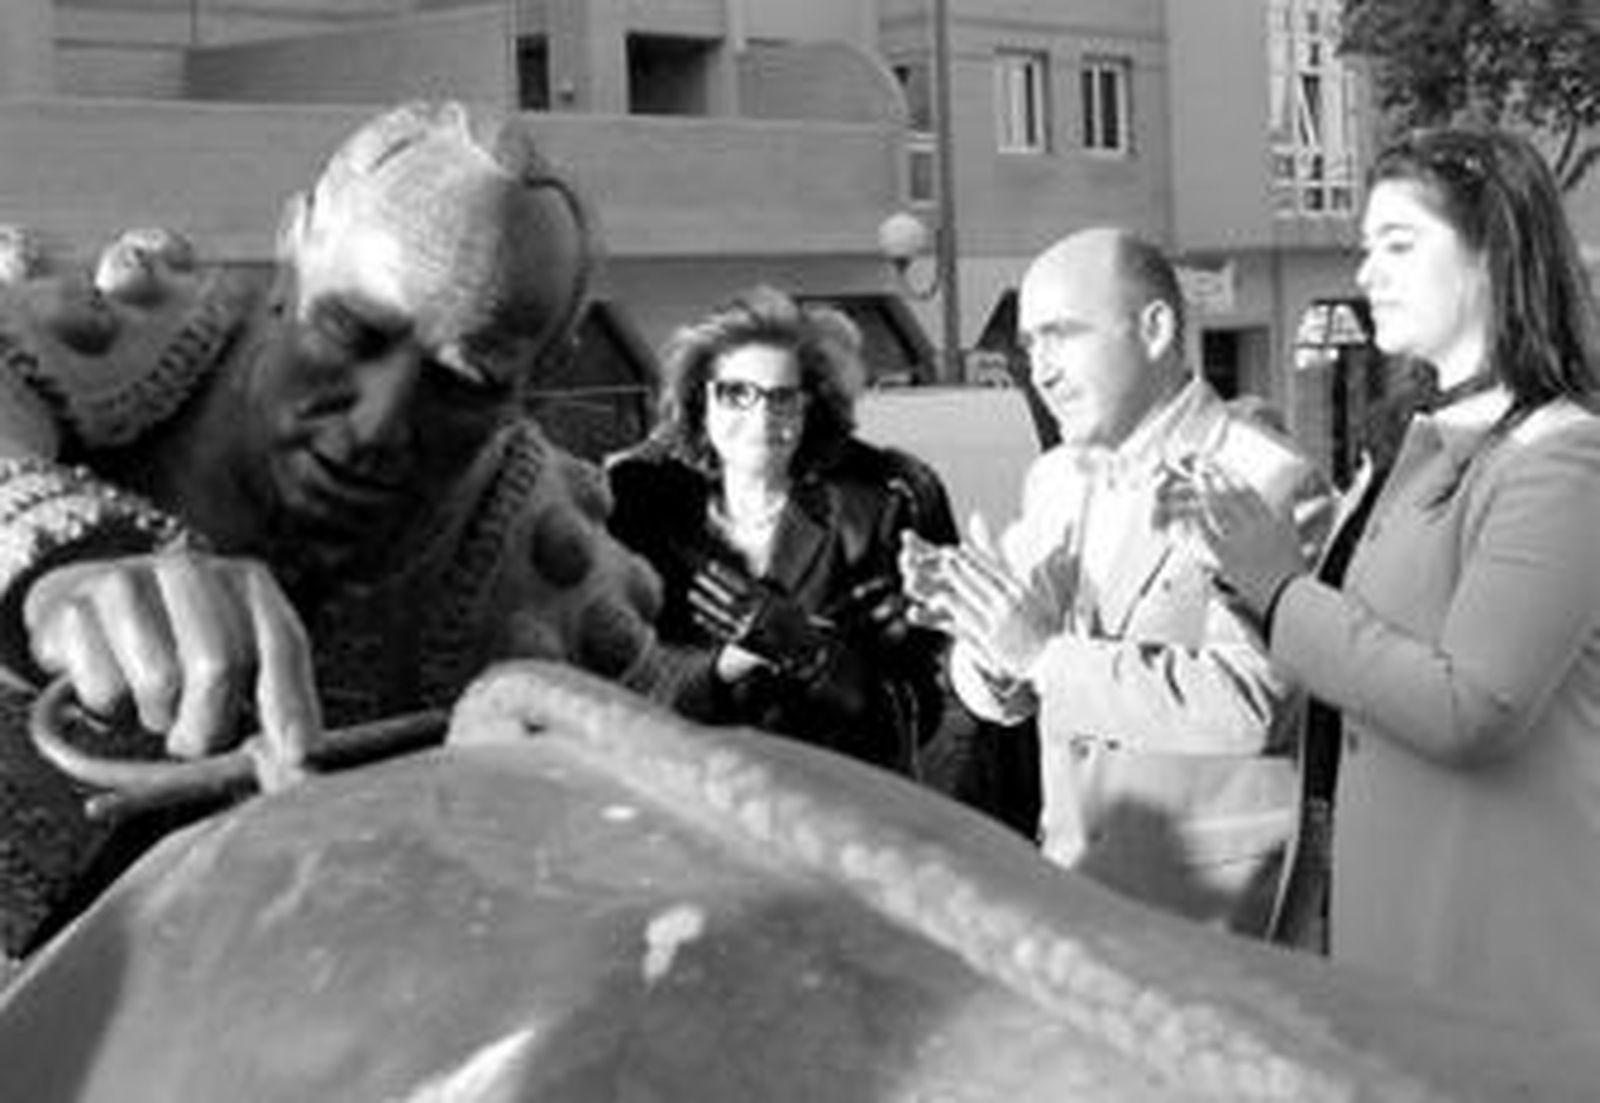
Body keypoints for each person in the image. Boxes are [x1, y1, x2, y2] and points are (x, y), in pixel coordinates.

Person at [0, 101, 703, 959]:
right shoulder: (113, 343)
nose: (377, 424)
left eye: (465, 382)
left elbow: (649, 870)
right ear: (293, 251)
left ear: (541, 375)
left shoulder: (536, 560)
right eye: (352, 332)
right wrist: (68, 565)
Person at [1186, 127, 1600, 1037]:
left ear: (1493, 254)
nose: (1368, 272)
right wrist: (1250, 581)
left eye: (1400, 244)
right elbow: (1357, 655)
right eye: (1366, 246)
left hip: (1502, 948)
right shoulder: (1415, 441)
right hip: (1390, 926)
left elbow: (1473, 706)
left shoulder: (1564, 456)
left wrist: (1283, 594)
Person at [900, 227, 1334, 936]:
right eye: (1029, 345)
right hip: (1074, 889)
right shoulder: (1054, 478)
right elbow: (1014, 690)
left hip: (1219, 914)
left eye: (1061, 335)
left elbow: (1257, 704)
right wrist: (984, 644)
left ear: (1155, 328)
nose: (1040, 371)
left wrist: (1041, 654)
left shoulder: (1264, 476)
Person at [607, 287, 947, 775]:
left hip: (831, 799)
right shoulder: (643, 508)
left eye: (782, 396)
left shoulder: (875, 513)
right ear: (701, 401)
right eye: (735, 393)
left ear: (811, 407)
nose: (761, 415)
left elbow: (914, 717)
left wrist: (810, 652)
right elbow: (615, 692)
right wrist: (724, 665)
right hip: (687, 795)